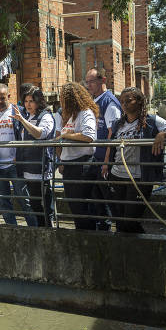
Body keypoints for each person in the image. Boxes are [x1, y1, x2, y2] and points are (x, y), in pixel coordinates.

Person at [102, 88, 166, 233]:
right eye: (122, 101)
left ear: (139, 101)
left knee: (131, 219)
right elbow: (111, 145)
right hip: (117, 176)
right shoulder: (118, 124)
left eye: (128, 101)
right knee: (120, 221)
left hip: (139, 178)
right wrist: (106, 165)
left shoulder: (152, 121)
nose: (124, 104)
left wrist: (162, 134)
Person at [0, 83, 32, 226]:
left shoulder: (18, 111)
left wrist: (20, 156)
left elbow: (26, 136)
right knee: (4, 201)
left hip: (16, 164)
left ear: (8, 96)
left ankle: (34, 228)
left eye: (2, 98)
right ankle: (12, 228)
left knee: (24, 199)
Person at [57, 82, 99, 230]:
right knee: (74, 205)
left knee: (80, 205)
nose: (61, 100)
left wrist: (68, 135)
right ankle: (82, 232)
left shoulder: (85, 113)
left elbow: (89, 136)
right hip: (69, 165)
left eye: (63, 98)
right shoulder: (68, 115)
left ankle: (88, 234)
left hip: (81, 165)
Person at [12, 87, 56, 226]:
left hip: (40, 169)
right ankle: (41, 231)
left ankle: (49, 231)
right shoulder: (27, 116)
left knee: (44, 207)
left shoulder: (46, 116)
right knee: (35, 205)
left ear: (39, 101)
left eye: (32, 101)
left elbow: (40, 134)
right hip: (27, 169)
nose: (28, 104)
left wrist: (23, 121)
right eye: (26, 101)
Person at [84, 68, 122, 229]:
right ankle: (103, 230)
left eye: (92, 81)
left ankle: (115, 230)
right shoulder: (95, 101)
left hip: (104, 162)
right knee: (96, 200)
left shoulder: (109, 103)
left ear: (103, 80)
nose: (88, 85)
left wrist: (106, 163)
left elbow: (112, 135)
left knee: (109, 201)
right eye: (87, 82)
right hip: (95, 159)